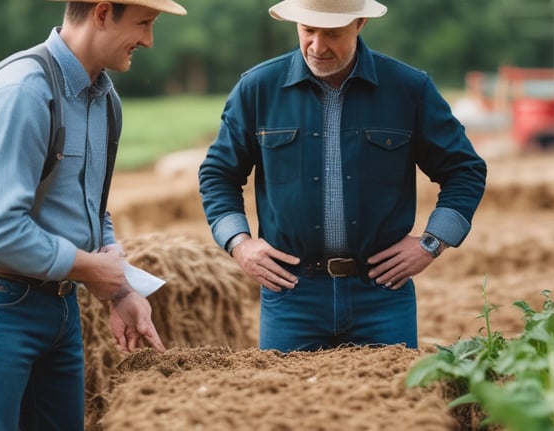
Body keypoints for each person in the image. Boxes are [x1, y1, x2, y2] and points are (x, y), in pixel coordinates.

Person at [0, 1, 186, 429]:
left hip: (59, 304)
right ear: (103, 13)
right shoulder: (21, 93)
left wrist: (120, 290)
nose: (148, 40)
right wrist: (89, 267)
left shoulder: (105, 100)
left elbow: (90, 205)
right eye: (143, 23)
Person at [198, 0, 487, 353]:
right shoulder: (257, 88)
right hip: (291, 294)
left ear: (360, 22)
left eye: (332, 33)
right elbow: (217, 174)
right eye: (308, 31)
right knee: (286, 404)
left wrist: (432, 242)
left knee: (393, 406)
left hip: (382, 294)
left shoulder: (409, 89)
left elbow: (464, 170)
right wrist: (240, 244)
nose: (317, 47)